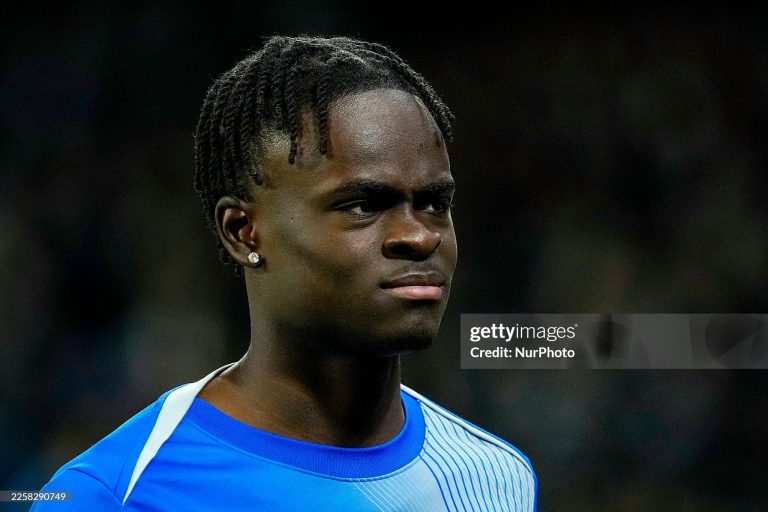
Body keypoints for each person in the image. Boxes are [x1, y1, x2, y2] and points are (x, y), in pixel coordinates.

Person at [33, 35, 537, 511]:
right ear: (244, 232)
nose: (420, 236)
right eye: (364, 204)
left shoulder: (496, 478)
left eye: (434, 202)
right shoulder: (116, 491)